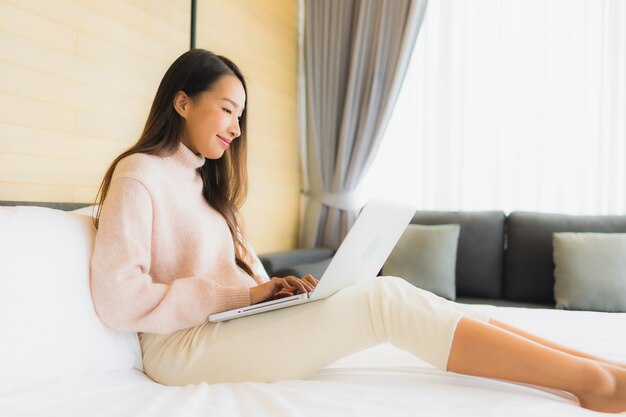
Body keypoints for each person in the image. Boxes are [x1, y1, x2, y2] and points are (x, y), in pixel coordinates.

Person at [90, 48, 626, 414]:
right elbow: (119, 298)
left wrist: (275, 292)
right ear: (182, 102)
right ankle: (594, 385)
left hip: (225, 329)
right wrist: (245, 293)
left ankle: (595, 365)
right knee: (383, 301)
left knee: (404, 296)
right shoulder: (140, 175)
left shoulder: (207, 189)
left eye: (241, 116)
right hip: (179, 352)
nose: (235, 127)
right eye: (227, 110)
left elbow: (241, 276)